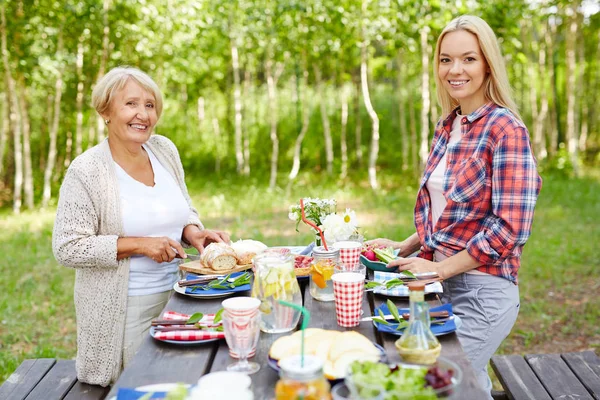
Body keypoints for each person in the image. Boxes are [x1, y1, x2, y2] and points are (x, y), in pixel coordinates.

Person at [367, 15, 542, 398]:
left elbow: (510, 229)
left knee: (430, 380)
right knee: (460, 383)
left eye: (468, 59)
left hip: (484, 290)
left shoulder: (506, 129)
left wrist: (439, 268)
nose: (455, 70)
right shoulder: (448, 126)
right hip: (439, 284)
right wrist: (406, 246)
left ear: (487, 64)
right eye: (446, 60)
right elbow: (449, 212)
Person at [52, 66, 230, 386]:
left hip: (182, 296)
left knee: (189, 381)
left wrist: (193, 232)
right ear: (106, 111)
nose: (143, 114)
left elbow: (183, 207)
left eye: (150, 105)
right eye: (131, 104)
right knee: (145, 387)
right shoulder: (87, 170)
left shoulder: (163, 150)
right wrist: (139, 244)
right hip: (126, 311)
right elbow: (68, 247)